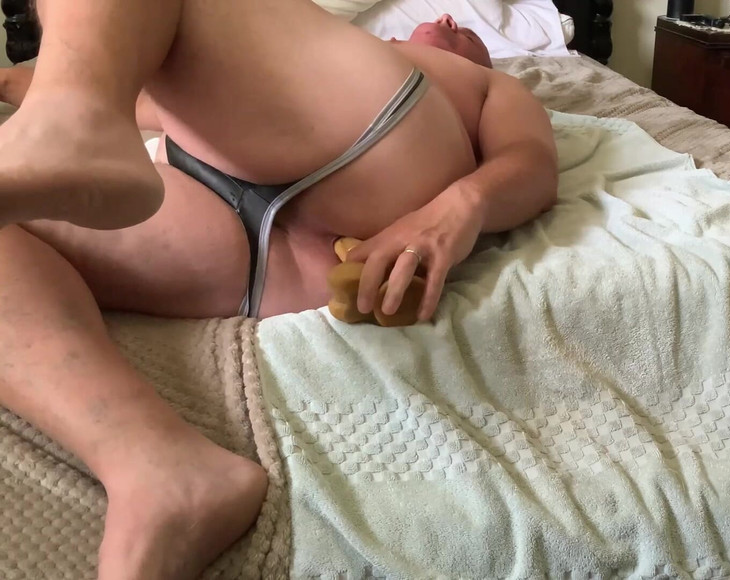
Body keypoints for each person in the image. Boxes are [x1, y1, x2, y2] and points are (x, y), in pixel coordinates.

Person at [0, 0, 558, 577]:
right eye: (443, 15)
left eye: (467, 32)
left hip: (380, 147)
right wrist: (17, 84)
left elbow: (533, 163)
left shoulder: (484, 84)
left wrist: (453, 212)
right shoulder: (239, 65)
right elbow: (114, 75)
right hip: (241, 245)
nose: (445, 19)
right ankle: (154, 465)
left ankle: (72, 118)